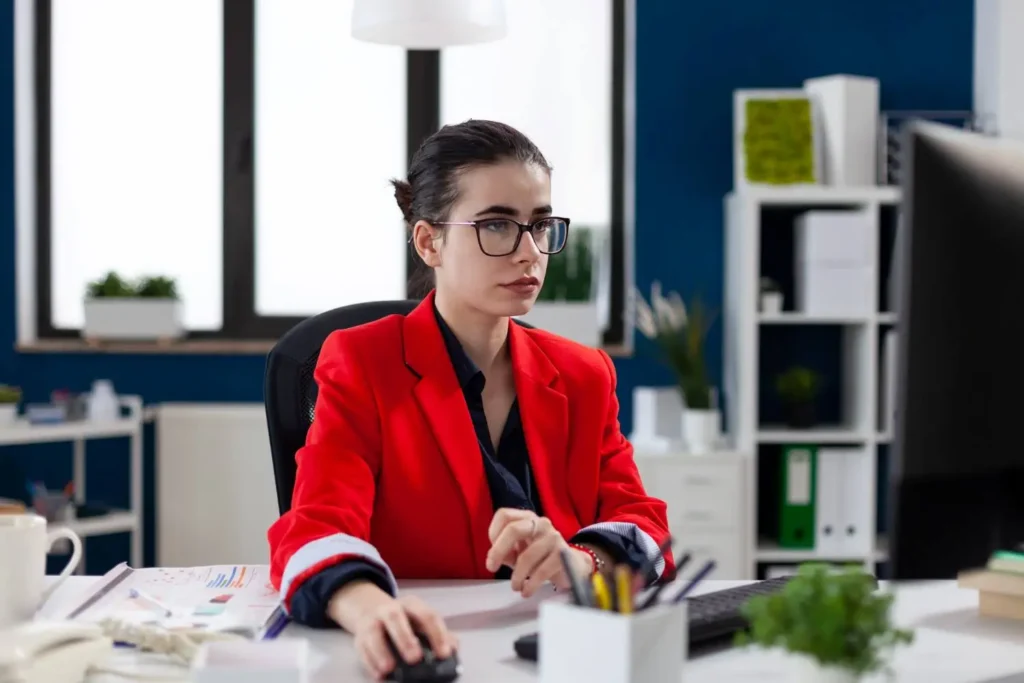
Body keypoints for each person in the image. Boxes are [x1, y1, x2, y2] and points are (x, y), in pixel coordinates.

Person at [268, 119, 673, 680]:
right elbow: (313, 527)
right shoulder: (362, 362)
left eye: (539, 225)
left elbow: (644, 524)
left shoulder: (583, 374)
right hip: (421, 648)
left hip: (552, 656)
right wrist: (371, 611)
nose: (529, 252)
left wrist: (581, 562)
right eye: (497, 226)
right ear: (429, 241)